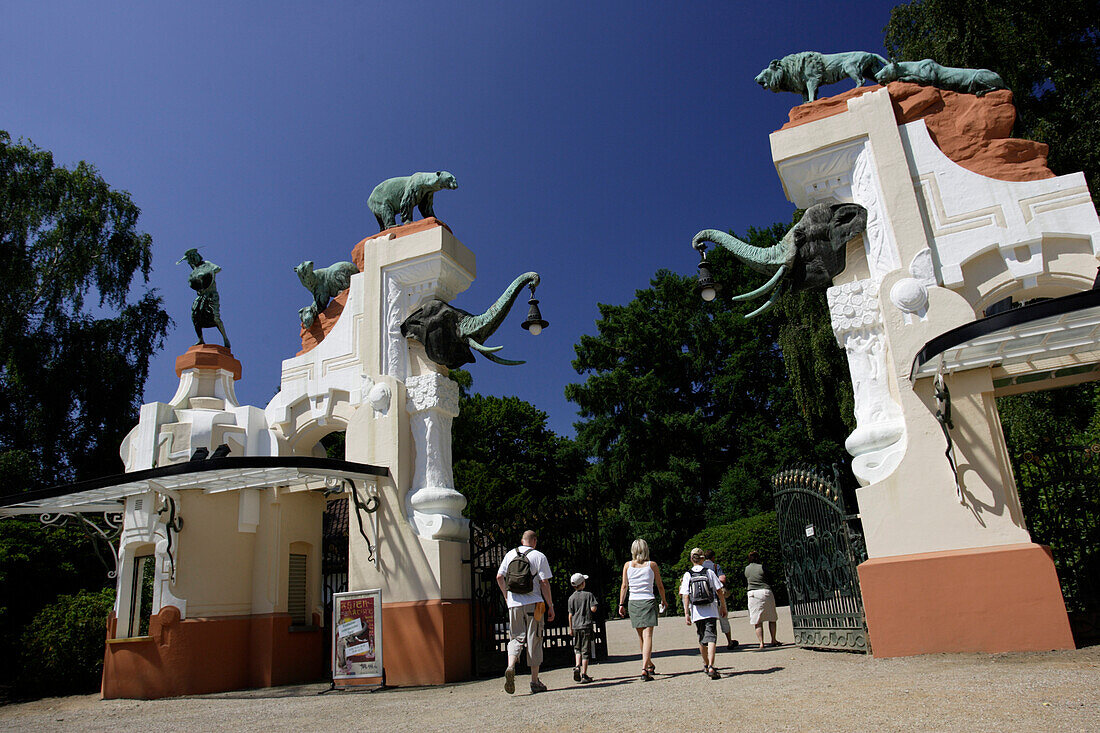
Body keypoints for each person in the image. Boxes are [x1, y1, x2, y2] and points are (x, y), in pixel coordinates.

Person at [496, 529, 555, 694]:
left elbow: (499, 577)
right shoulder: (539, 556)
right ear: (534, 541)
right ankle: (534, 681)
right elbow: (544, 582)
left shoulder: (509, 555)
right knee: (534, 639)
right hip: (534, 604)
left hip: (514, 604)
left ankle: (510, 665)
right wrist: (550, 605)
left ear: (522, 541)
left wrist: (507, 597)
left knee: (515, 637)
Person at [617, 538, 668, 682]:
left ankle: (648, 664)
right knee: (648, 636)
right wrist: (664, 599)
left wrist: (621, 604)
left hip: (633, 602)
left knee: (641, 637)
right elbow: (660, 585)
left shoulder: (627, 565)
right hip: (648, 600)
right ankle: (644, 668)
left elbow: (624, 586)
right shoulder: (652, 565)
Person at [680, 547, 725, 680]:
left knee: (702, 638)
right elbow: (719, 590)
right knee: (711, 638)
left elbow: (685, 595)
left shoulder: (687, 574)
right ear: (702, 559)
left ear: (691, 559)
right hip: (710, 609)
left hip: (696, 611)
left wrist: (686, 613)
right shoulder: (709, 572)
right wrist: (722, 606)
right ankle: (711, 665)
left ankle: (705, 664)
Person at [745, 550, 782, 649]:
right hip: (765, 591)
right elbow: (770, 577)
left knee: (757, 621)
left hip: (752, 593)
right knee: (772, 618)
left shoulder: (746, 569)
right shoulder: (762, 567)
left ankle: (761, 642)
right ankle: (773, 639)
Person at [703, 549, 738, 650]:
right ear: (713, 557)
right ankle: (729, 641)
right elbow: (722, 579)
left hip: (705, 599)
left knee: (708, 622)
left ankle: (708, 643)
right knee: (724, 619)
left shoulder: (700, 567)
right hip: (716, 597)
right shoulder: (715, 566)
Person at [567, 572, 598, 684]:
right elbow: (593, 608)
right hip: (586, 625)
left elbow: (570, 615)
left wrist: (570, 629)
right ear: (583, 583)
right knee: (586, 651)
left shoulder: (571, 598)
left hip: (575, 626)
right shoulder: (588, 595)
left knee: (577, 649)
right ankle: (584, 674)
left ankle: (576, 666)